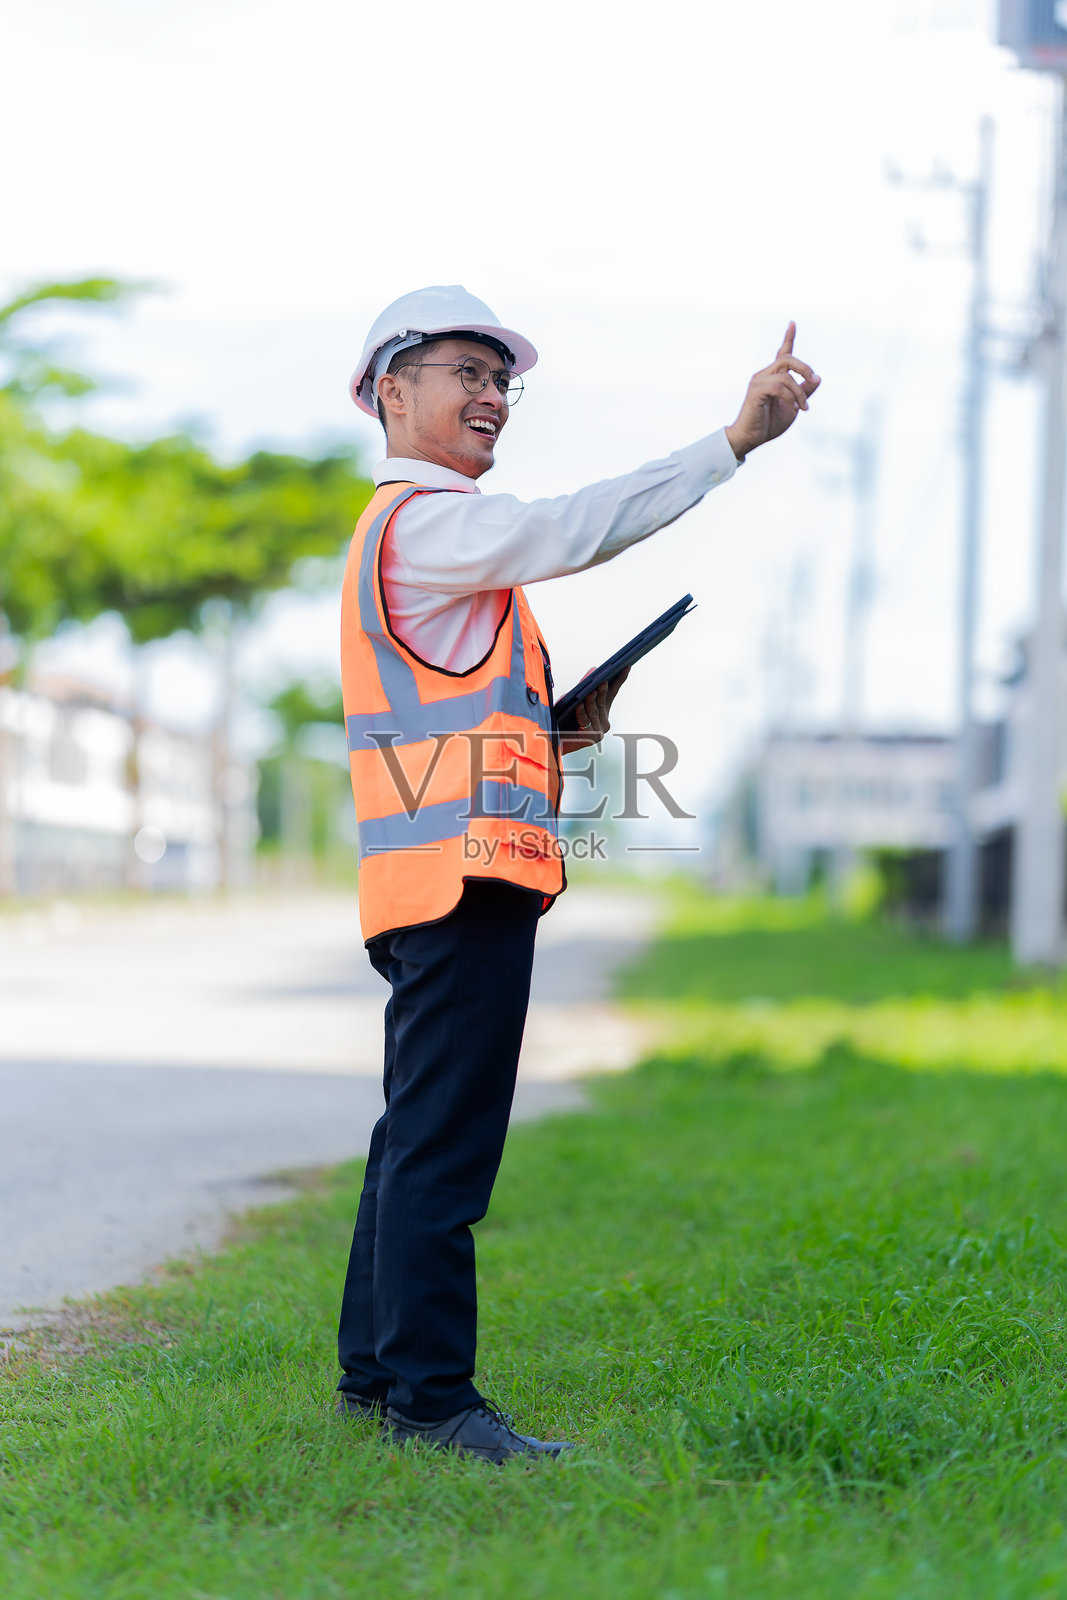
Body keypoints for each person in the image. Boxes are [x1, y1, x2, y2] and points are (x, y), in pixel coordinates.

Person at [335, 286, 819, 1463]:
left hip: (432, 876)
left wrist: (553, 730)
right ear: (389, 391)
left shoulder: (421, 546)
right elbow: (576, 525)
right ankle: (432, 1403)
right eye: (466, 372)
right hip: (461, 880)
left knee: (413, 1134)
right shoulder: (424, 523)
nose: (493, 397)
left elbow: (448, 721)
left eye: (501, 380)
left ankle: (375, 1380)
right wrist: (730, 444)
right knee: (443, 1147)